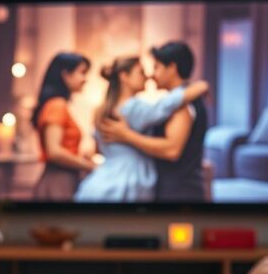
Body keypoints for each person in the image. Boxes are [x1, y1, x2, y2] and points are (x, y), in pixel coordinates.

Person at [75, 56, 209, 202]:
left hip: (102, 179)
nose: (147, 77)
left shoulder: (100, 109)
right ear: (124, 76)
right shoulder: (134, 108)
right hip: (130, 180)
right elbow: (164, 105)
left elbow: (99, 149)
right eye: (141, 72)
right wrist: (199, 87)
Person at [31, 52, 96, 201]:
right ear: (66, 74)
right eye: (82, 73)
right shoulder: (57, 105)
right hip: (58, 181)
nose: (85, 79)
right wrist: (91, 166)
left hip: (63, 178)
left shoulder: (58, 105)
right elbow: (54, 151)